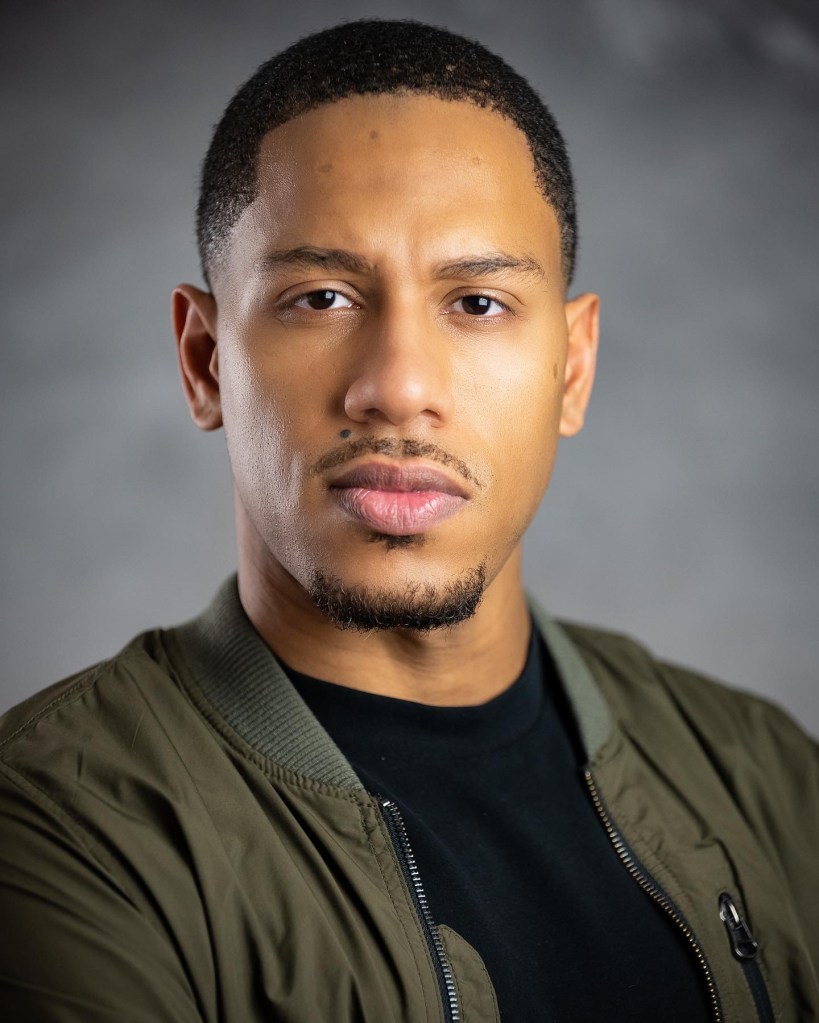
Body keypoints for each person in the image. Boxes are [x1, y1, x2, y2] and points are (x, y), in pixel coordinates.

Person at [0, 17, 816, 1022]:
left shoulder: (765, 776)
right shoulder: (62, 825)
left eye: (476, 303)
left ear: (572, 368)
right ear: (205, 361)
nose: (397, 386)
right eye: (322, 297)